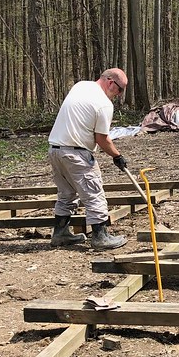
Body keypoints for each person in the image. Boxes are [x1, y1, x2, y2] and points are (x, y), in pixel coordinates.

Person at [47, 68, 130, 251]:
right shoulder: (104, 104)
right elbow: (102, 139)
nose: (118, 95)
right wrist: (117, 156)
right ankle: (100, 237)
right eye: (120, 89)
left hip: (55, 150)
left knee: (66, 193)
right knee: (94, 192)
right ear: (110, 82)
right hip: (76, 154)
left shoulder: (81, 86)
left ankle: (60, 233)